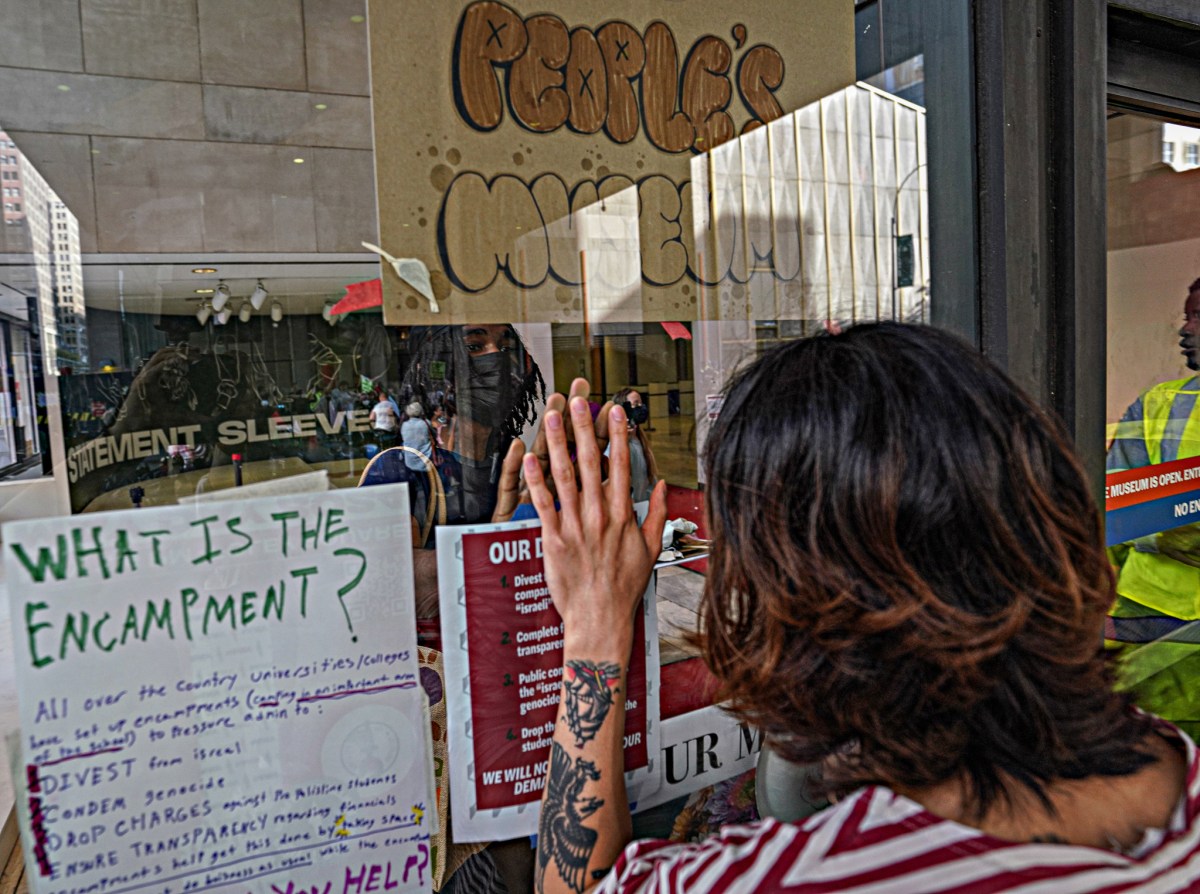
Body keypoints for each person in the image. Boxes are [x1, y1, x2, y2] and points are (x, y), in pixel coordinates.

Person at [525, 323, 1200, 893]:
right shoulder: (1174, 767)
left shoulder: (811, 874)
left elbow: (575, 883)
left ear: (788, 602)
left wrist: (594, 627)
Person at [1107, 276, 1200, 734]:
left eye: (1197, 317)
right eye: (1186, 317)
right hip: (1147, 617)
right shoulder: (1160, 405)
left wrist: (1171, 511)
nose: (1185, 329)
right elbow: (1117, 513)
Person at [608, 388, 658, 503]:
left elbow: (649, 479)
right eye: (635, 404)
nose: (641, 407)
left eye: (641, 403)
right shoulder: (614, 446)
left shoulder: (640, 440)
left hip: (643, 506)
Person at [400, 400, 433, 516]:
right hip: (425, 460)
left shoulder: (404, 425)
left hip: (409, 461)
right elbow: (433, 435)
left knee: (412, 489)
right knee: (427, 488)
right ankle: (429, 513)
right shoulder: (426, 423)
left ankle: (411, 513)